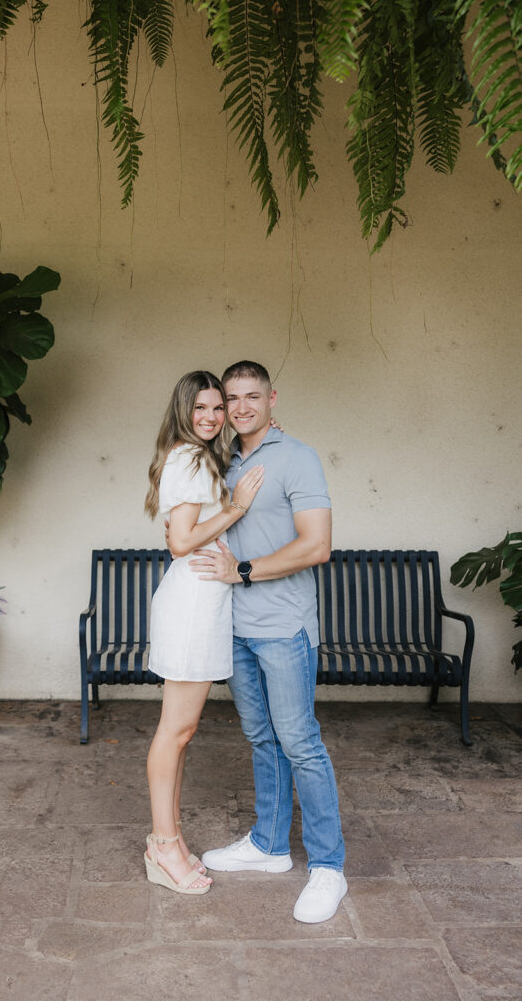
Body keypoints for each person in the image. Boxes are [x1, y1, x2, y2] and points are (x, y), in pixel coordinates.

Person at [189, 360, 347, 924]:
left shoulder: (296, 457)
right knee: (262, 739)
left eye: (252, 396)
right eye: (231, 399)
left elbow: (318, 545)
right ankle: (269, 846)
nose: (240, 407)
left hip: (283, 627)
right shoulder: (227, 461)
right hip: (237, 628)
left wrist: (246, 571)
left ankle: (329, 867)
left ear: (272, 399)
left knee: (300, 741)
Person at [143, 370, 264, 896]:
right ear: (183, 412)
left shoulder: (197, 455)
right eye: (202, 410)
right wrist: (237, 506)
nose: (213, 417)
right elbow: (181, 540)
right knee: (175, 731)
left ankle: (167, 841)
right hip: (191, 607)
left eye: (219, 408)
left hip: (203, 605)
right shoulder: (189, 457)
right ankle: (163, 845)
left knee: (183, 732)